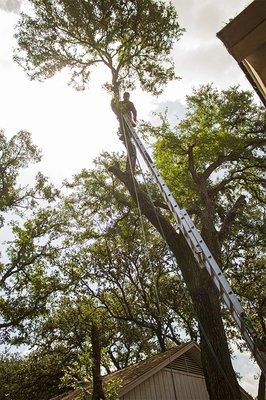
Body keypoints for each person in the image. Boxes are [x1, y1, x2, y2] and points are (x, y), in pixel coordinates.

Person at [110, 92, 137, 173]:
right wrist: (112, 102)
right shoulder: (120, 103)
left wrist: (134, 119)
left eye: (127, 96)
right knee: (122, 127)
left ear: (128, 97)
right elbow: (114, 109)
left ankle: (128, 135)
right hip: (121, 118)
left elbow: (134, 111)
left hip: (128, 117)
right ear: (123, 96)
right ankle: (124, 135)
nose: (126, 97)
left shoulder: (130, 103)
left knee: (128, 127)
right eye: (125, 96)